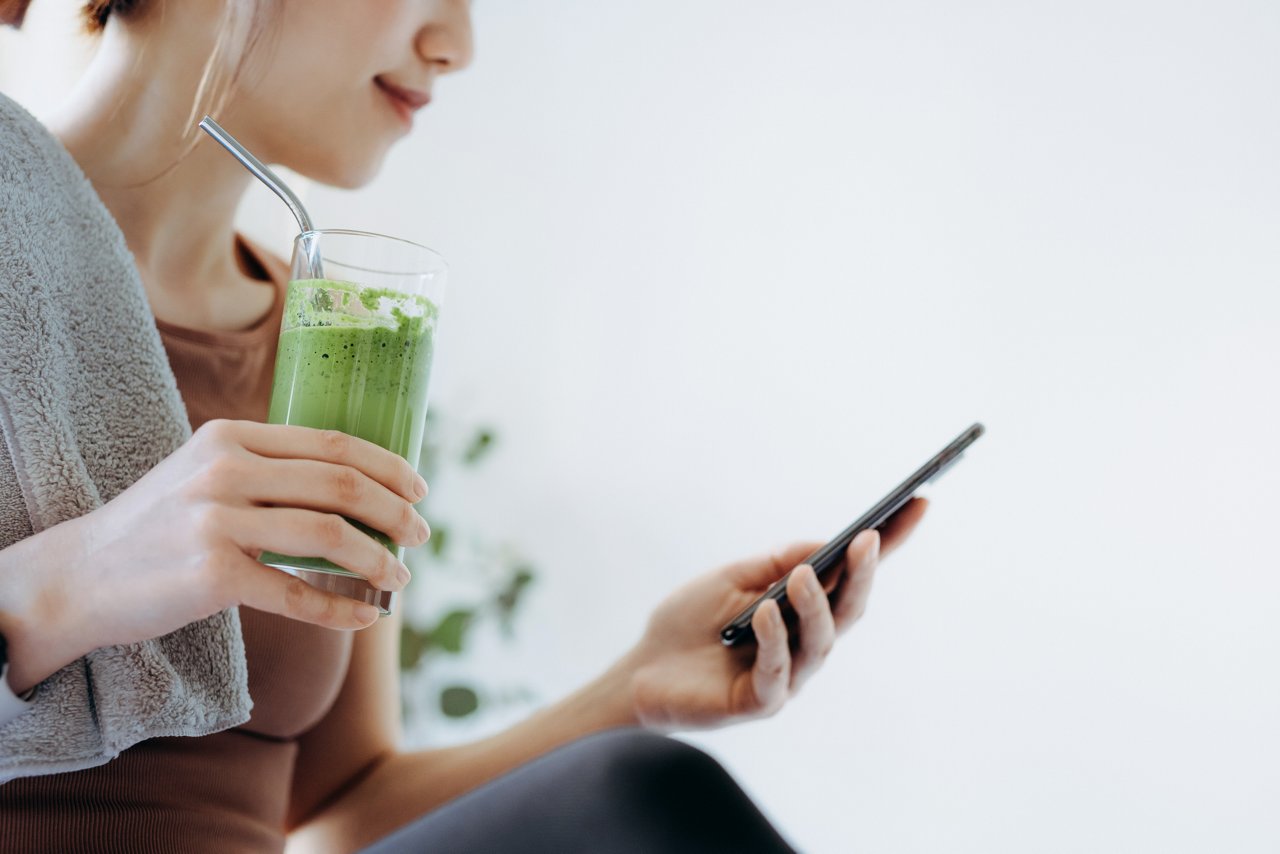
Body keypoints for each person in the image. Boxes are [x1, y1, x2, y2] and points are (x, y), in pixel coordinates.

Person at [0, 1, 928, 851]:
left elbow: (334, 810)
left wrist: (631, 692)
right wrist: (67, 585)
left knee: (640, 797)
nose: (458, 44)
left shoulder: (339, 343)